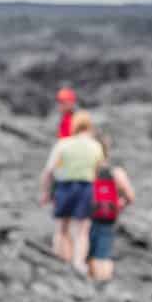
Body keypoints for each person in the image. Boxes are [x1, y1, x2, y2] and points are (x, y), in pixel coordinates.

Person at [39, 110, 104, 274]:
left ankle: (59, 260)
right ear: (89, 126)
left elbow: (48, 171)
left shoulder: (63, 144)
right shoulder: (96, 146)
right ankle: (78, 263)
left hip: (64, 187)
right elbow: (99, 172)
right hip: (86, 188)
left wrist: (46, 192)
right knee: (82, 230)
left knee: (61, 228)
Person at [87, 134, 136, 283]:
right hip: (107, 218)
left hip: (86, 217)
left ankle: (89, 284)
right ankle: (103, 285)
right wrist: (119, 204)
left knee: (87, 254)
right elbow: (131, 197)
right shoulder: (115, 172)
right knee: (103, 255)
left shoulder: (85, 171)